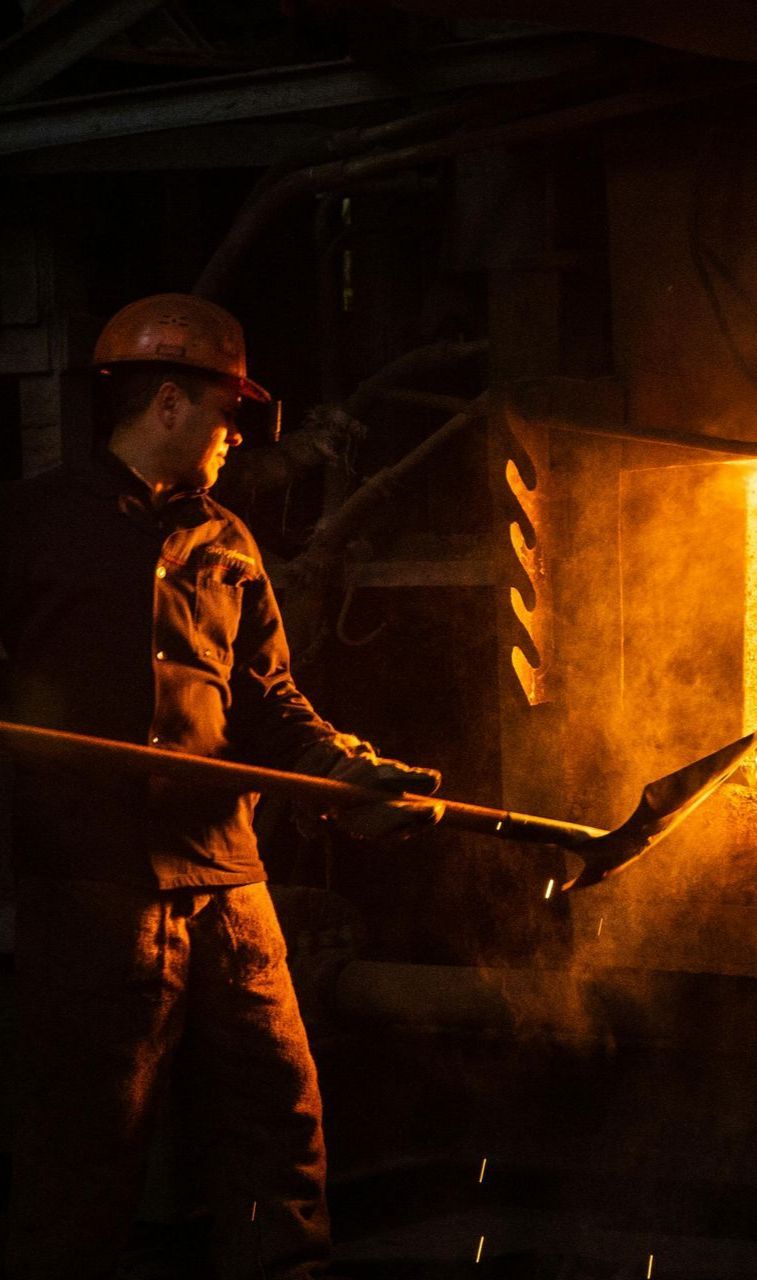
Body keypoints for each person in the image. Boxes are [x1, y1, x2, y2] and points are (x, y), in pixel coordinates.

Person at [0, 293, 441, 1279]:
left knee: (276, 1118)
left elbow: (270, 702)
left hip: (227, 884)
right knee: (83, 1146)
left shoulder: (228, 544)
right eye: (223, 411)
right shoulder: (28, 524)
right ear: (167, 403)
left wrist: (346, 769)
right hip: (92, 889)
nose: (233, 433)